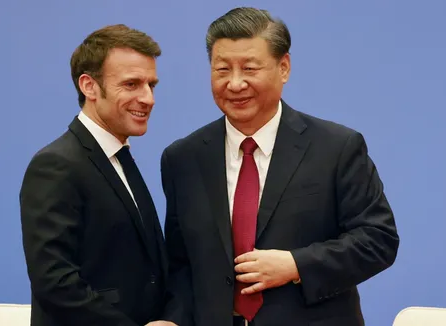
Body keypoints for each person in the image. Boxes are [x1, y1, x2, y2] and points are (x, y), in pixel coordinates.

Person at [159, 7, 399, 326]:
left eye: (249, 68)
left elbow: (378, 240)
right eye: (222, 70)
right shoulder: (183, 158)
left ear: (283, 67)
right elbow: (181, 264)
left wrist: (296, 265)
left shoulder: (336, 148)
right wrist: (173, 319)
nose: (235, 83)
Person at [20, 24, 168, 326]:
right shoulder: (56, 165)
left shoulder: (120, 157)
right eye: (131, 84)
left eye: (151, 85)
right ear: (89, 86)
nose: (148, 98)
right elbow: (55, 283)